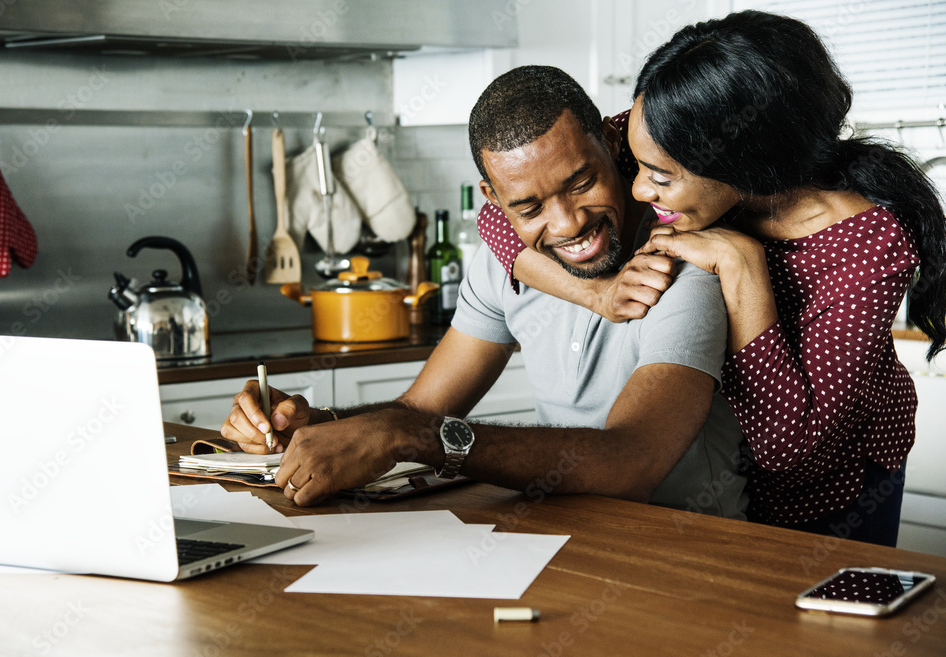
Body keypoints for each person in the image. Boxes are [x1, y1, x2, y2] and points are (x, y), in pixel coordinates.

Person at [475, 11, 946, 546]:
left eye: (662, 178)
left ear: (745, 161)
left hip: (832, 492)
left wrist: (742, 265)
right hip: (723, 480)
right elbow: (498, 216)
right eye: (640, 166)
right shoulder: (660, 134)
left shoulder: (867, 245)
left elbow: (788, 446)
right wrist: (597, 293)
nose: (639, 191)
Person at [221, 65, 747, 519]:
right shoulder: (502, 269)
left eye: (581, 183)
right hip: (576, 540)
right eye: (529, 207)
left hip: (694, 552)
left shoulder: (682, 263)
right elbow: (418, 407)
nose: (567, 224)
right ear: (494, 201)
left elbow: (632, 461)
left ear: (613, 144)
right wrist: (317, 426)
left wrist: (412, 435)